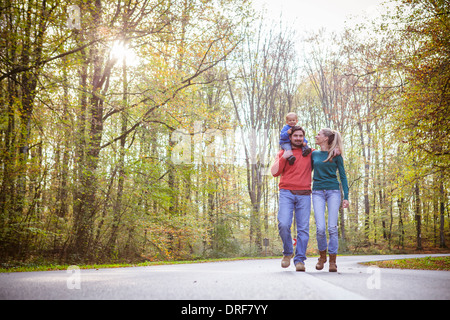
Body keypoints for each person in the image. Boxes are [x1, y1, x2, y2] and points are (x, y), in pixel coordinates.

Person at [271, 126, 312, 272]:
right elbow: (274, 173)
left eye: (301, 136)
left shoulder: (309, 153)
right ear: (290, 137)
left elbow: (324, 157)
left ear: (304, 138)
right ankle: (288, 252)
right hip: (286, 193)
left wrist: (335, 150)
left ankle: (300, 259)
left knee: (303, 229)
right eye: (296, 136)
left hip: (305, 194)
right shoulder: (282, 152)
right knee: (283, 224)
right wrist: (284, 157)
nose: (298, 138)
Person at [311, 128, 349, 272]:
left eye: (318, 134)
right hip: (317, 192)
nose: (316, 136)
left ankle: (333, 261)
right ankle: (322, 257)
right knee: (320, 228)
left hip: (333, 191)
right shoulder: (314, 154)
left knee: (332, 228)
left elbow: (343, 176)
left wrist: (346, 196)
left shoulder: (336, 154)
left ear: (326, 138)